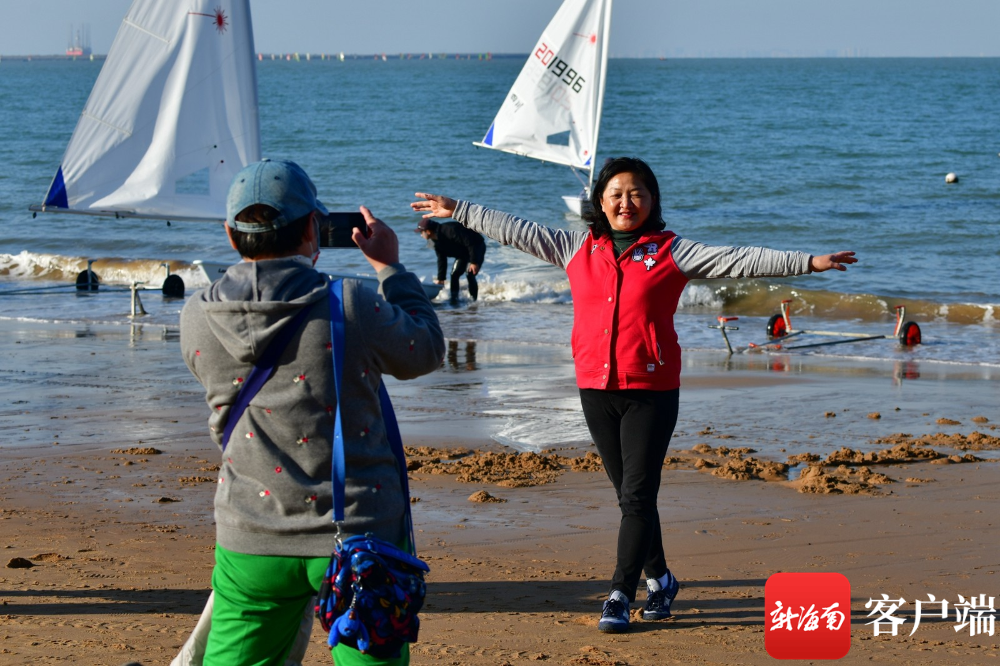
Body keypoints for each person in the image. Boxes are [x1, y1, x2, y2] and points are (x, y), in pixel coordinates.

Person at [411, 157, 856, 634]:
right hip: (595, 387)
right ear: (600, 202)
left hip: (651, 390)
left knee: (638, 496)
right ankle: (662, 580)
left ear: (652, 200)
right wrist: (461, 210)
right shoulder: (576, 247)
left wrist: (809, 263)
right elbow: (516, 230)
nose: (627, 202)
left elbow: (739, 259)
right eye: (617, 194)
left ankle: (620, 593)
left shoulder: (672, 252)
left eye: (637, 193)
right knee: (630, 498)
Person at [180, 159, 444, 665]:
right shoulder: (349, 303)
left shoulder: (196, 314)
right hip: (360, 531)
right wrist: (390, 268)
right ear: (312, 229)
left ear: (230, 235)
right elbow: (425, 349)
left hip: (251, 529)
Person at [414, 218, 486, 303]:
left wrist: (474, 262)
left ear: (428, 231)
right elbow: (441, 259)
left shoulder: (450, 230)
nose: (421, 235)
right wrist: (441, 279)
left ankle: (474, 301)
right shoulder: (434, 241)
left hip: (477, 247)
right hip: (463, 253)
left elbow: (470, 242)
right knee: (454, 274)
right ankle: (454, 300)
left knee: (470, 274)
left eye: (421, 232)